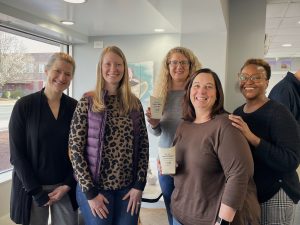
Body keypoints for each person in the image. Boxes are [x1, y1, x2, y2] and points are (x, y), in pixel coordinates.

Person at [69, 46, 149, 225]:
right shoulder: (87, 101)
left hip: (128, 190)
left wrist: (139, 185)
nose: (113, 69)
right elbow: (75, 150)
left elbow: (144, 146)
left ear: (124, 68)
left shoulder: (134, 104)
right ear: (100, 68)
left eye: (118, 64)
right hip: (95, 189)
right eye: (108, 64)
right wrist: (90, 193)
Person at [171, 68, 260, 225]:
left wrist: (223, 222)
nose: (201, 91)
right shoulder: (183, 126)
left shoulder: (225, 125)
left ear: (217, 93)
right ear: (189, 91)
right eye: (196, 85)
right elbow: (182, 171)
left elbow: (239, 173)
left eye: (209, 86)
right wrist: (169, 167)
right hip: (179, 214)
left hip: (211, 219)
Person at [9, 52, 78, 225]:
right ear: (46, 71)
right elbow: (17, 155)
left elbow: (80, 150)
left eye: (68, 74)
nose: (62, 77)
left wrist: (68, 184)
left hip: (64, 187)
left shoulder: (75, 107)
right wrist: (35, 191)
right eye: (57, 71)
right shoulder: (24, 106)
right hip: (32, 187)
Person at [229, 59, 300, 225]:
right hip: (253, 192)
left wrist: (252, 138)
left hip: (277, 191)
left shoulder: (279, 112)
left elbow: (290, 160)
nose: (249, 82)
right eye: (244, 77)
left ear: (267, 83)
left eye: (256, 77)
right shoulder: (239, 112)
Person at [145, 46, 201, 225]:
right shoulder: (160, 95)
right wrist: (153, 124)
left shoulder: (197, 93)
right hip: (166, 158)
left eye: (183, 62)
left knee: (192, 208)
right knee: (171, 207)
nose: (178, 66)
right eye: (174, 62)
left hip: (193, 159)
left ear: (191, 65)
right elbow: (158, 131)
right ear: (167, 66)